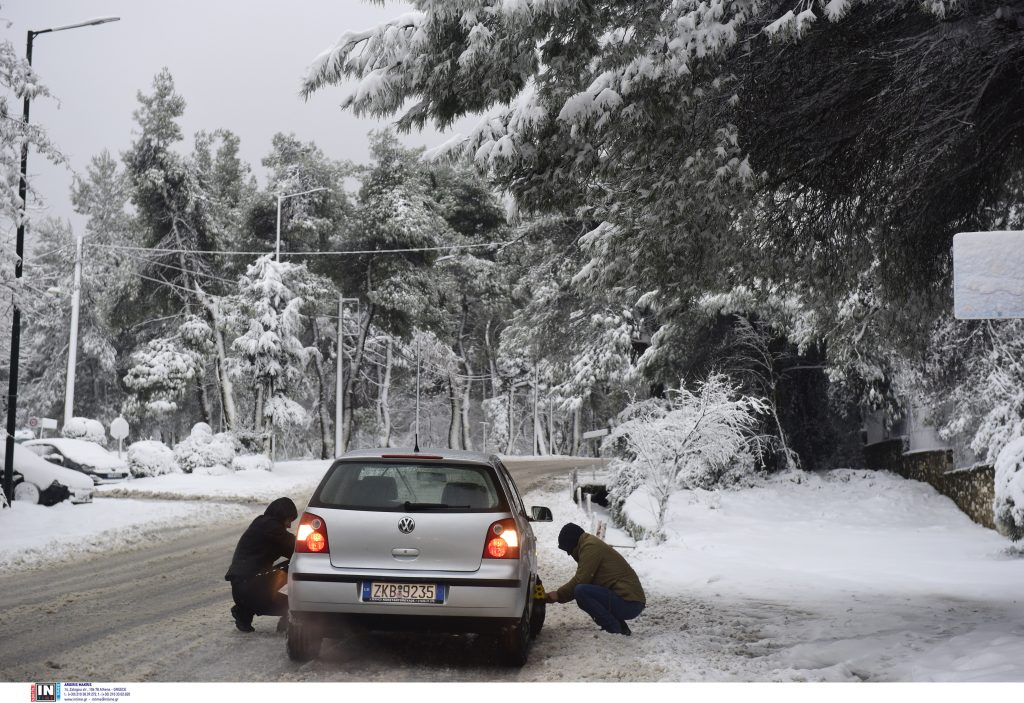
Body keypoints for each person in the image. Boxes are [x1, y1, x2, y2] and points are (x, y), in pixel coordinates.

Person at [545, 522, 646, 635]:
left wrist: (559, 594)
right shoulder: (589, 544)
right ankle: (621, 627)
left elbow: (580, 580)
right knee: (587, 589)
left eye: (568, 549)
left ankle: (614, 629)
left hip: (630, 604)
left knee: (581, 591)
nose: (569, 554)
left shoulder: (590, 547)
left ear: (573, 543)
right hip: (630, 601)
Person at [224, 496, 297, 633]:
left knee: (284, 567)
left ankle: (244, 611)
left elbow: (289, 549)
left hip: (241, 586)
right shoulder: (272, 527)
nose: (289, 525)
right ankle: (289, 616)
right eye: (289, 520)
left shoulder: (262, 524)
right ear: (283, 515)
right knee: (295, 567)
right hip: (251, 586)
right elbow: (296, 549)